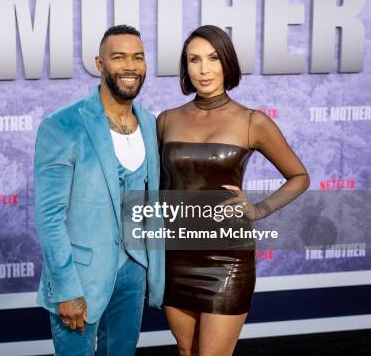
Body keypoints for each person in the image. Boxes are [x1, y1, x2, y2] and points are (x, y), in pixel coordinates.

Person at [157, 25, 310, 356]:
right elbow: (156, 188)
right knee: (187, 351)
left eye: (212, 58)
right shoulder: (166, 120)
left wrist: (258, 210)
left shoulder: (252, 121)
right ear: (185, 68)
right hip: (174, 256)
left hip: (227, 258)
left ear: (227, 62)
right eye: (194, 60)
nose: (204, 69)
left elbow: (299, 176)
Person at [34, 25, 164, 355]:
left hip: (133, 274)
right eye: (118, 57)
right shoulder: (63, 125)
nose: (130, 66)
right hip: (79, 279)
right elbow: (49, 218)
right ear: (100, 64)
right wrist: (65, 289)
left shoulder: (150, 123)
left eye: (138, 57)